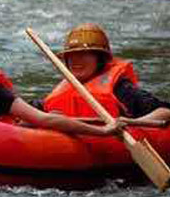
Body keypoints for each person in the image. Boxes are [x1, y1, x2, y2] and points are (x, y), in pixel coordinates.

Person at [31, 23, 170, 126]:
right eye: (71, 55)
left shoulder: (121, 89)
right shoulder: (62, 89)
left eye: (84, 54)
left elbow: (164, 111)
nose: (75, 60)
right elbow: (28, 112)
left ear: (100, 59)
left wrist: (133, 122)